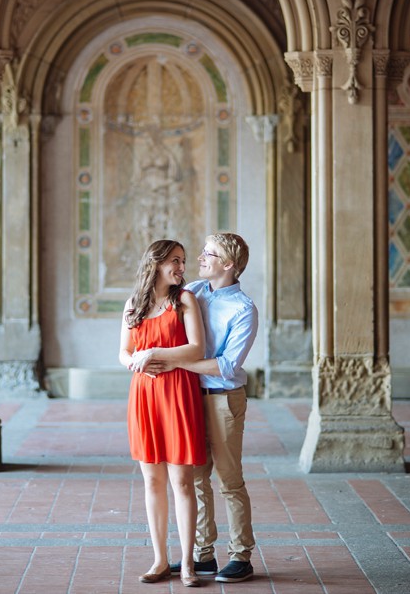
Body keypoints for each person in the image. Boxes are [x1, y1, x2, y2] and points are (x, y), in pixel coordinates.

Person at [139, 233, 258, 583]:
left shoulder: (244, 309)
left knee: (230, 480)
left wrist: (172, 363)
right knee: (195, 478)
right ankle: (202, 555)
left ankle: (241, 556)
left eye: (211, 254)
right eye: (203, 252)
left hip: (222, 400)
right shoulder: (194, 290)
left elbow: (226, 366)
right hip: (187, 398)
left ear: (229, 265)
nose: (201, 257)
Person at [119, 240, 207, 587]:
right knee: (152, 481)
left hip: (179, 394)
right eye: (176, 261)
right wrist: (136, 362)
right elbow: (124, 353)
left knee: (182, 482)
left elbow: (196, 348)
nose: (182, 268)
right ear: (156, 263)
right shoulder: (133, 305)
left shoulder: (185, 300)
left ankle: (187, 563)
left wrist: (154, 352)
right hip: (144, 395)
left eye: (183, 261)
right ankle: (159, 560)